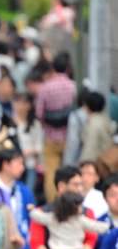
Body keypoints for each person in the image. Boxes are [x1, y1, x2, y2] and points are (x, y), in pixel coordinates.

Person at [35, 51, 77, 202]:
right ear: (68, 69)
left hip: (51, 137)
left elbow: (39, 113)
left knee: (51, 173)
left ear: (52, 68)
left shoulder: (45, 87)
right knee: (68, 173)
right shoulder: (73, 87)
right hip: (69, 136)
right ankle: (69, 202)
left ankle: (53, 203)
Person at [12, 93, 43, 194]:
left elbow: (40, 145)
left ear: (28, 105)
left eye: (21, 103)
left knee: (29, 190)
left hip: (29, 163)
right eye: (16, 102)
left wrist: (26, 152)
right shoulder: (11, 121)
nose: (18, 105)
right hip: (13, 162)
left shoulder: (35, 124)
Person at [80, 91, 117, 163]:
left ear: (88, 106)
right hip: (106, 160)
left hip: (97, 163)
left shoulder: (94, 125)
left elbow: (90, 150)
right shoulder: (105, 119)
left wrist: (83, 165)